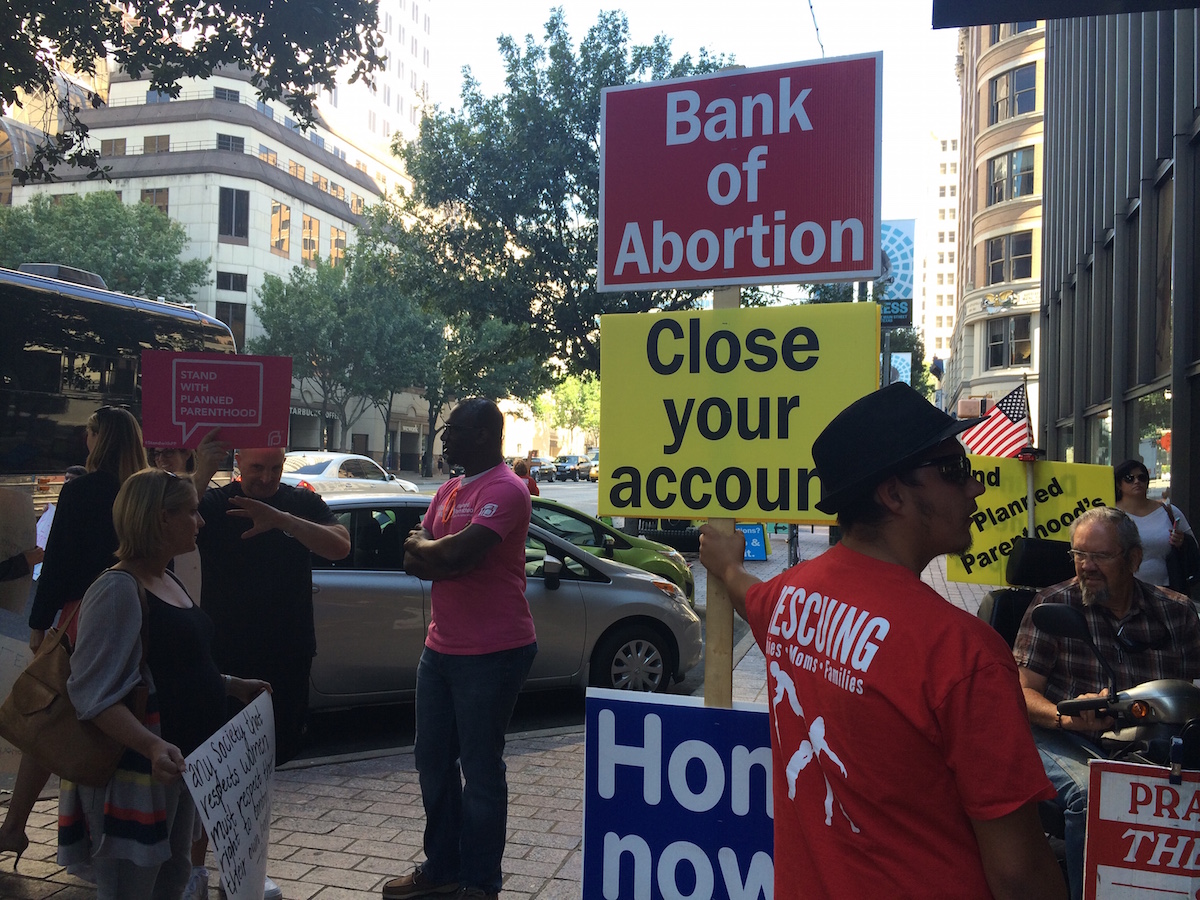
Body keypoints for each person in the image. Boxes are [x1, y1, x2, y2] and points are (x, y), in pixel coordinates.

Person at [698, 383, 1065, 900]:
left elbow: (748, 595)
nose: (975, 489)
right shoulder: (964, 654)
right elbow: (1020, 873)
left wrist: (727, 565)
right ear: (892, 494)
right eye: (954, 470)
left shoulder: (788, 597)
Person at [57, 467, 269, 898]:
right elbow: (92, 695)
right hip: (135, 779)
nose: (201, 520)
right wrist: (151, 746)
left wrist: (230, 684)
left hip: (177, 769)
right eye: (191, 511)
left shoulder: (166, 577)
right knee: (130, 889)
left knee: (171, 881)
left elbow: (174, 666)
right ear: (160, 518)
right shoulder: (117, 589)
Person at [382, 398, 537, 900]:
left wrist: (436, 554)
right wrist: (435, 556)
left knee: (481, 769)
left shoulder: (507, 490)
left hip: (494, 651)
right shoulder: (449, 490)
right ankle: (443, 866)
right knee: (432, 763)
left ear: (487, 436)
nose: (446, 439)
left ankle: (480, 882)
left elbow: (458, 553)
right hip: (440, 650)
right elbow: (414, 559)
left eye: (456, 431)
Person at [191, 433, 350, 900]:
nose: (265, 478)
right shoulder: (215, 500)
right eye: (256, 469)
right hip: (222, 656)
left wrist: (279, 519)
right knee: (208, 769)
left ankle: (243, 871)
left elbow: (339, 546)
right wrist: (201, 469)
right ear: (239, 462)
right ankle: (194, 871)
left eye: (274, 468)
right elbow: (164, 516)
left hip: (286, 652)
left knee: (260, 770)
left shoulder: (301, 501)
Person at [1013, 506, 1200, 899]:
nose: (1087, 566)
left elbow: (1186, 697)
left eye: (1100, 556)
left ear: (1133, 559)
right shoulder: (1053, 606)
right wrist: (1067, 717)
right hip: (1062, 734)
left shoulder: (1177, 612)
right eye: (1079, 555)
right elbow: (1020, 692)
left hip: (1147, 738)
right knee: (1094, 793)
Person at [0, 406, 148, 866]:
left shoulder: (82, 488)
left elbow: (59, 557)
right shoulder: (144, 487)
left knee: (51, 721)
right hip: (138, 612)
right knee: (118, 715)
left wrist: (38, 622)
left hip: (81, 614)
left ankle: (16, 827)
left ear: (97, 438)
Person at [1113, 458, 1194, 588]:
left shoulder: (1169, 511)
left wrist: (1182, 541)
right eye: (1129, 478)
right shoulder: (1109, 514)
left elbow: (1193, 545)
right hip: (1121, 590)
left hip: (1167, 589)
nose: (1137, 481)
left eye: (1142, 477)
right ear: (1118, 484)